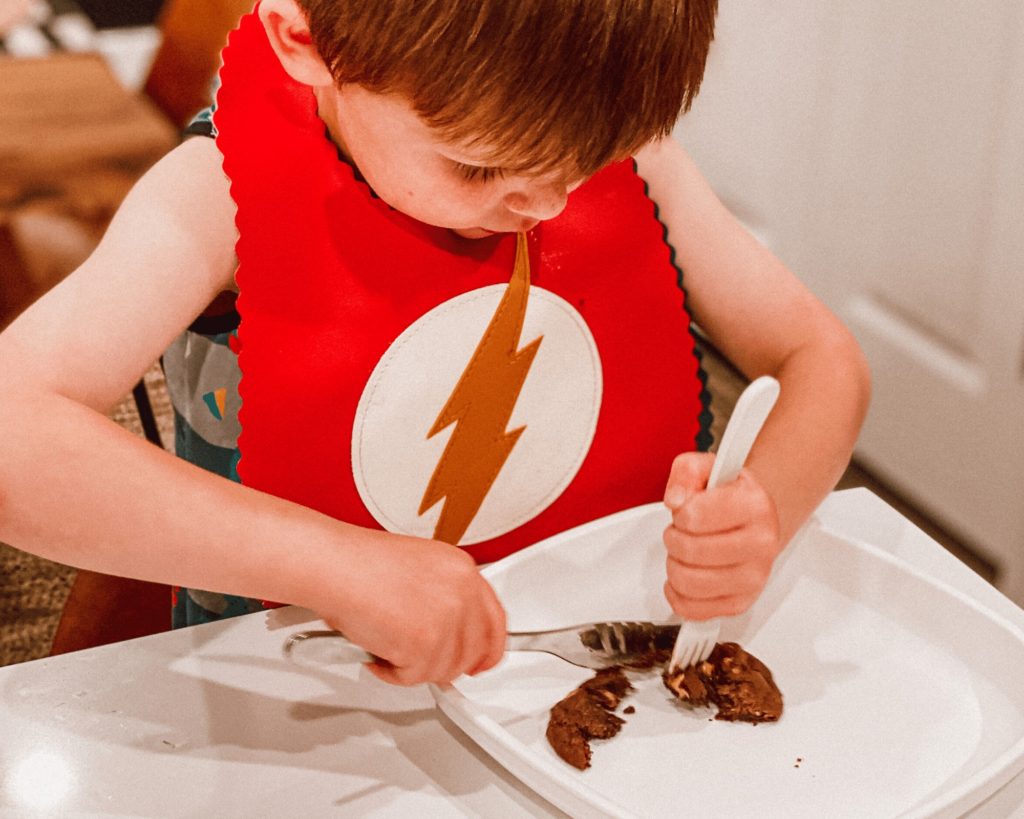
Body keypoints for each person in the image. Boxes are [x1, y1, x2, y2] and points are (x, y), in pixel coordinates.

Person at [0, 0, 870, 686]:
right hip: (301, 692)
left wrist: (763, 511)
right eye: (480, 167)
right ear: (306, 42)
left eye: (582, 162)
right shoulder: (216, 197)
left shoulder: (633, 158)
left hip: (572, 673)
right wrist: (341, 567)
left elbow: (820, 361)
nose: (548, 207)